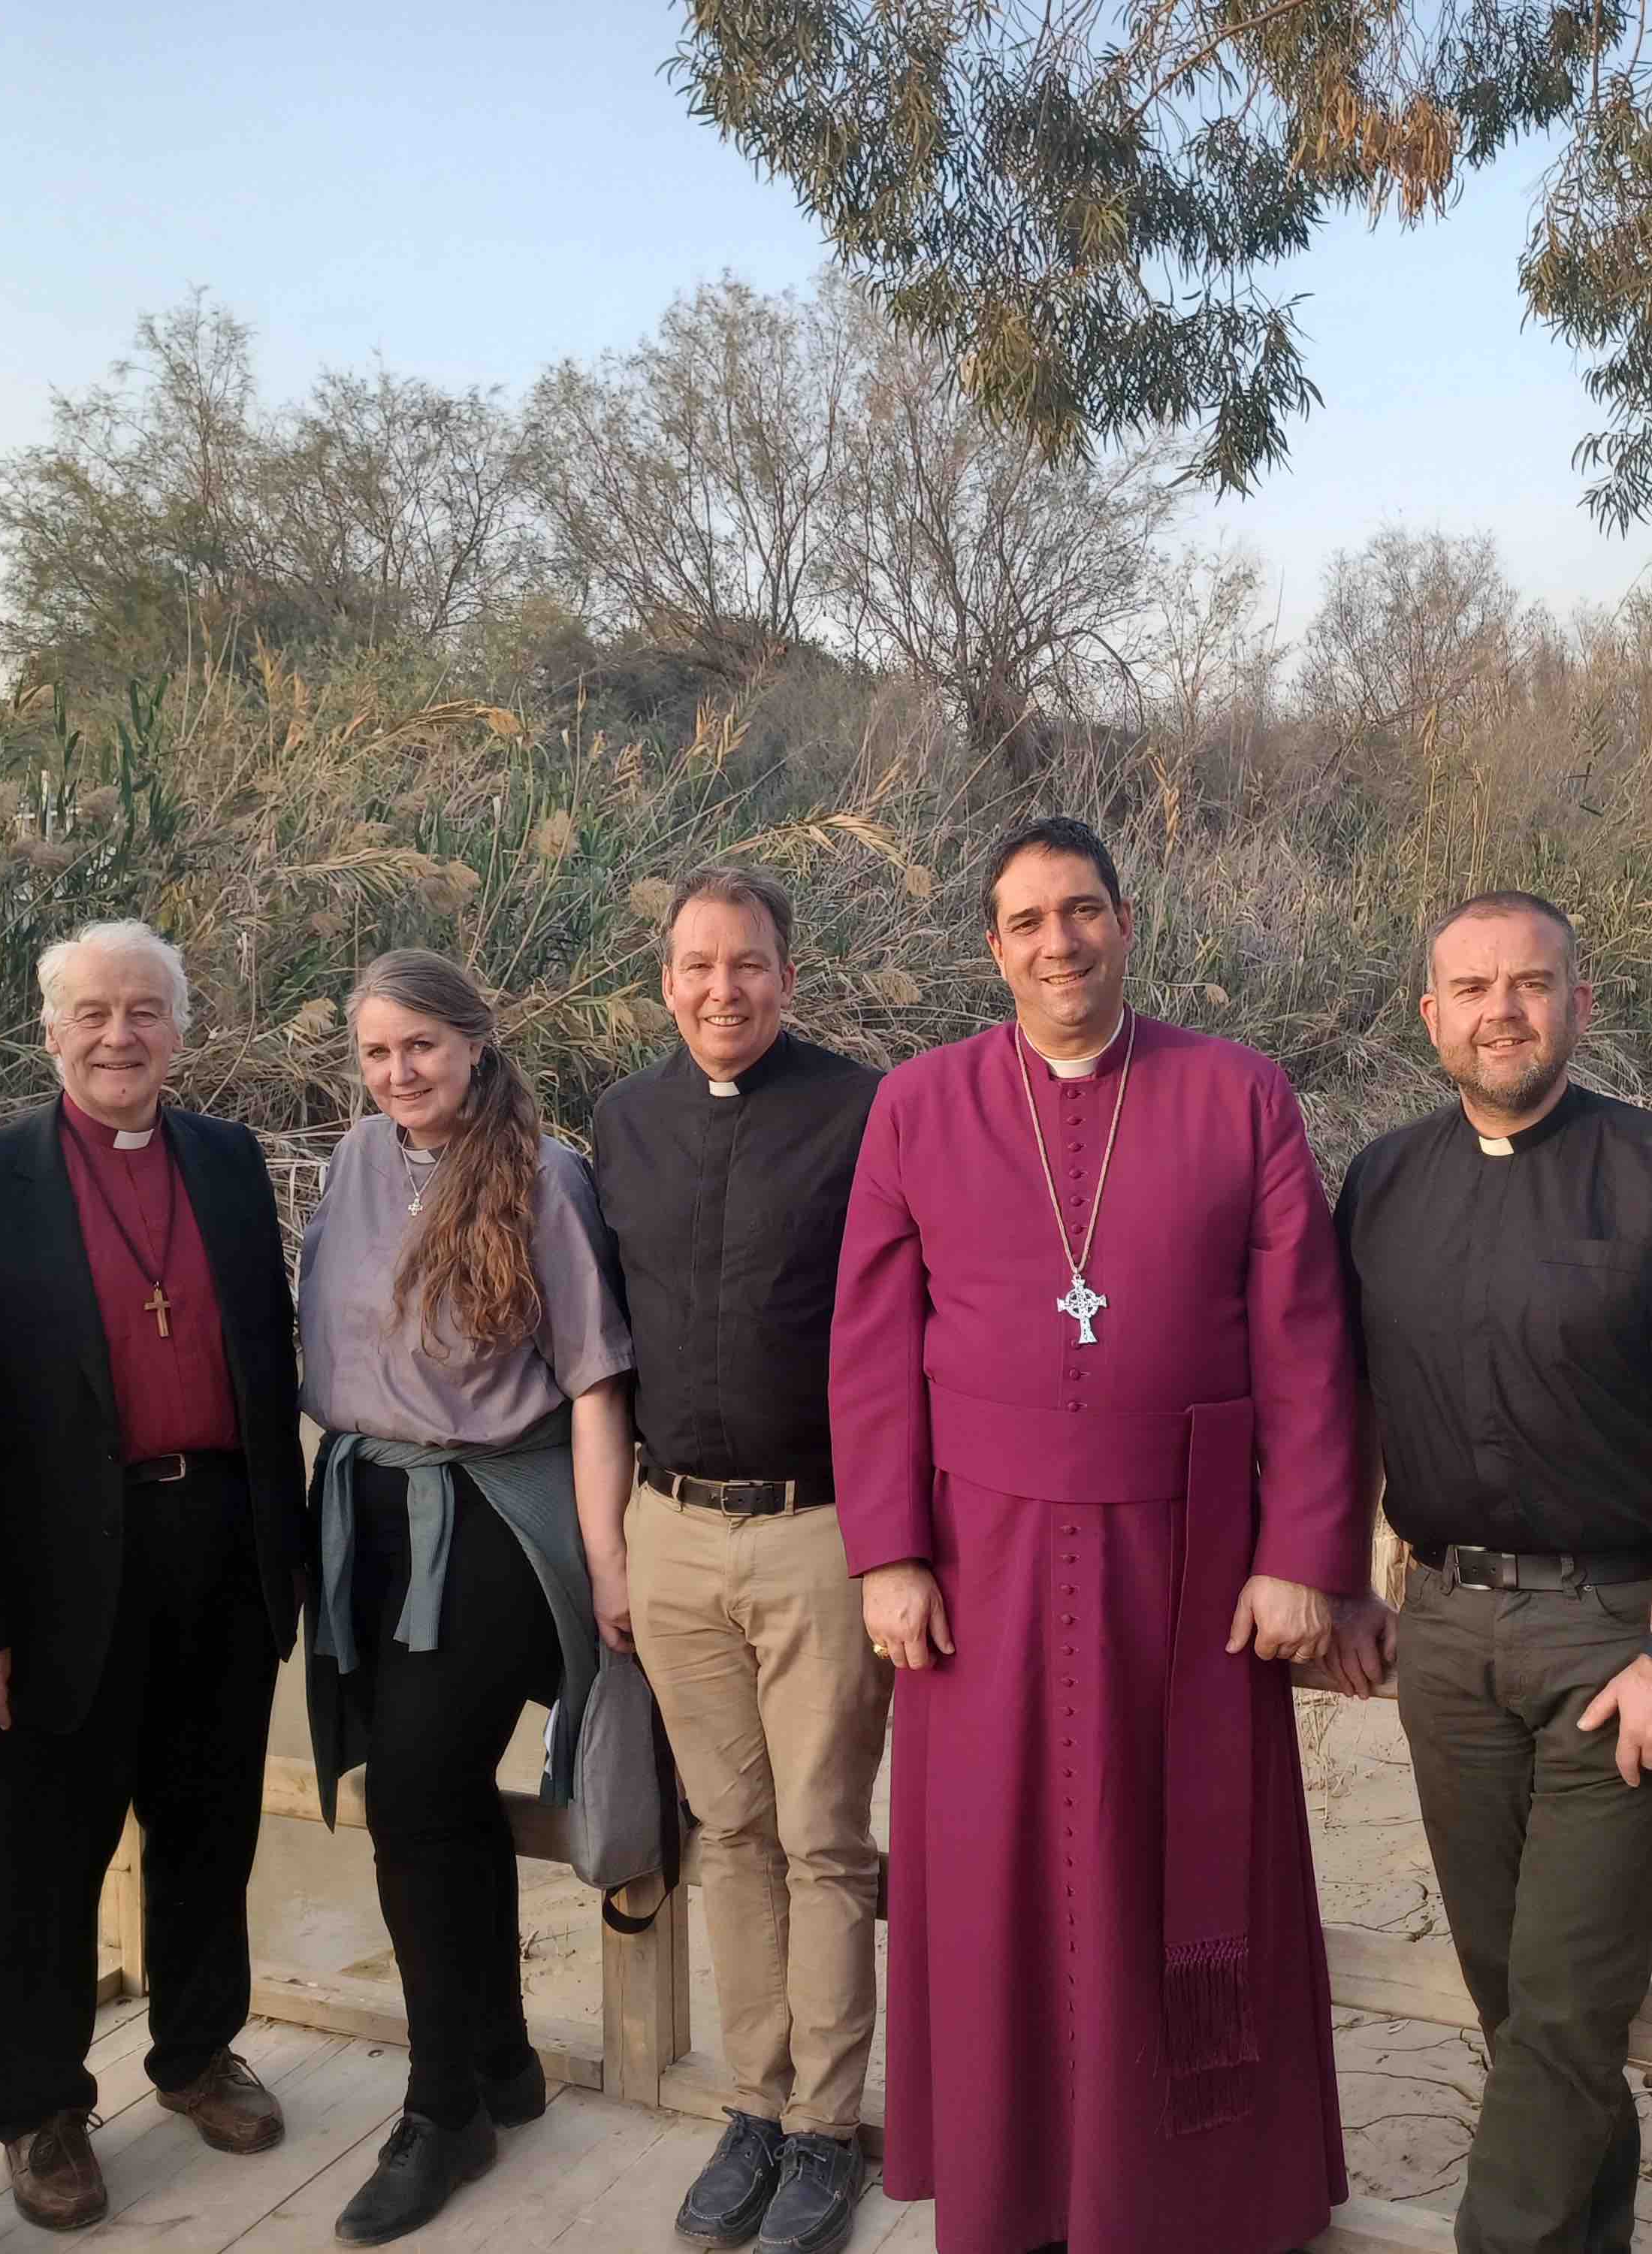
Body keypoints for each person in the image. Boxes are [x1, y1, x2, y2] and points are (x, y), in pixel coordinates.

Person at [831, 815, 1379, 2254]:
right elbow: (873, 1353)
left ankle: (1191, 2195)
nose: (1057, 942)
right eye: (1025, 921)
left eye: (1082, 912)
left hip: (1189, 1569)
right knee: (999, 1877)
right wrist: (886, 1554)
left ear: (1126, 924)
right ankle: (1020, 2187)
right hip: (980, 1567)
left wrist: (1303, 1552)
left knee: (1179, 1878)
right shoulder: (919, 1104)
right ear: (992, 948)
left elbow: (1308, 1346)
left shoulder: (1240, 1094)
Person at [1336, 891, 1652, 2254]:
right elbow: (1343, 1403)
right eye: (1472, 989)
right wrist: (1349, 1582)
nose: (1502, 1011)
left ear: (1579, 1003)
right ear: (1432, 1017)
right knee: (1513, 2001)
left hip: (1614, 1637)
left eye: (1531, 985)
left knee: (1571, 2002)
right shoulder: (1383, 1181)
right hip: (1445, 1632)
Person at [0, 922, 307, 2232]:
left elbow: (271, 1366)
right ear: (50, 1032)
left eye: (146, 1012)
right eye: (93, 1014)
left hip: (220, 1548)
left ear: (181, 1031)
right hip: (49, 1574)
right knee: (43, 1854)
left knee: (209, 1824)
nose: (119, 1036)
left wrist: (280, 1566)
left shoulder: (230, 1161)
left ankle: (195, 2051)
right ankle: (38, 2109)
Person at [297, 949, 638, 2246]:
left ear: (476, 1047)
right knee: (431, 1804)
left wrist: (607, 1563)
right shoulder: (351, 1165)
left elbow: (599, 1380)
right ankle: (500, 2057)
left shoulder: (546, 1179)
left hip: (493, 1515)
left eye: (422, 1049)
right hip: (369, 1512)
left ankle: (443, 2109)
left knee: (416, 1796)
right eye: (378, 1054)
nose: (401, 1075)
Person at [590, 866, 889, 2254]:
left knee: (826, 1840)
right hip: (670, 1532)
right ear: (665, 980)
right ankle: (751, 2107)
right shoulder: (625, 1120)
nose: (725, 990)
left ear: (789, 974)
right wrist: (612, 1548)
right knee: (728, 1833)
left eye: (751, 965)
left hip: (821, 1531)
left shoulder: (863, 1110)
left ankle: (827, 2130)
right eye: (700, 967)